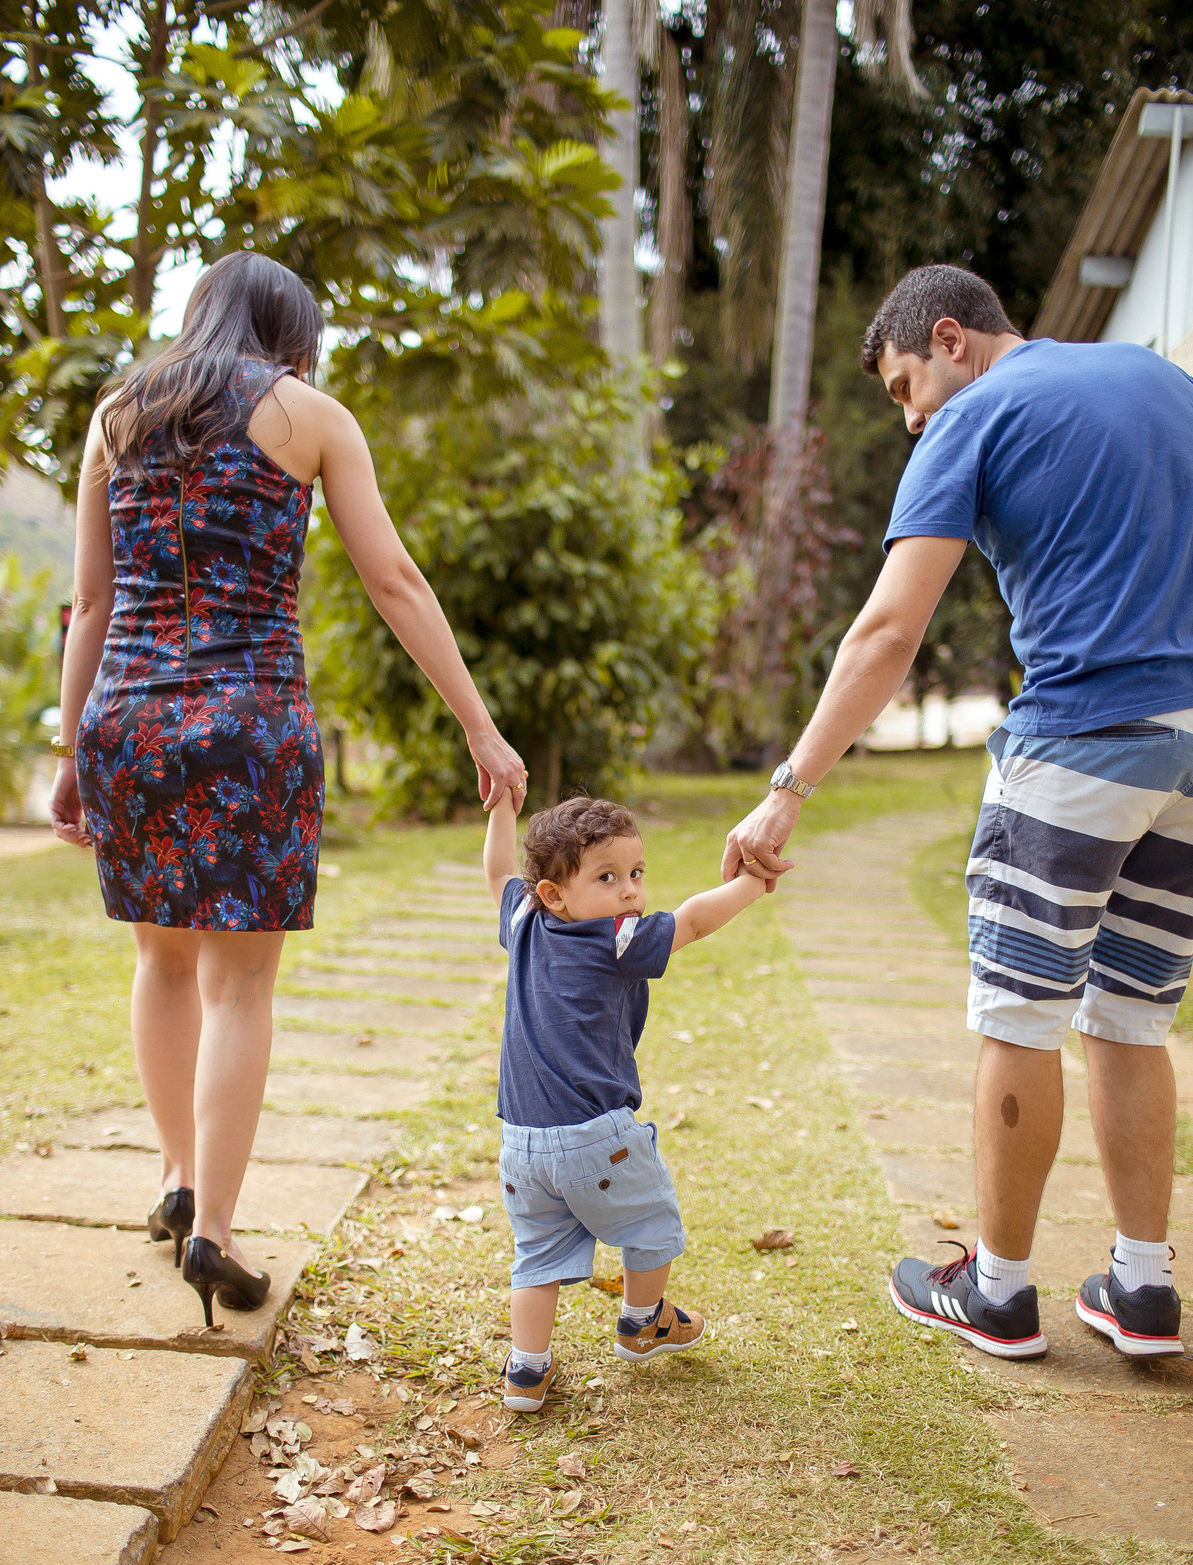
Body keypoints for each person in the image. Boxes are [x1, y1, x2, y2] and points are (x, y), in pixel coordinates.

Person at [722, 261, 1193, 1363]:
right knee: (1133, 1016)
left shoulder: (972, 415)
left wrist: (788, 790)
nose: (908, 417)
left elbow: (888, 633)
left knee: (1021, 1014)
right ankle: (1145, 1288)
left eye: (900, 388)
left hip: (1079, 740)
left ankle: (1000, 1290)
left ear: (951, 339)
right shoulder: (1162, 379)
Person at [50, 250, 527, 1328]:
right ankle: (213, 1228)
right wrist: (478, 725)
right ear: (290, 333)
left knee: (161, 960)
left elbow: (89, 598)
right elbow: (392, 579)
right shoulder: (308, 415)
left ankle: (177, 1175)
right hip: (248, 719)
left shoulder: (118, 414)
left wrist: (76, 749)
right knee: (238, 987)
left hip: (128, 713)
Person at [482, 790, 767, 1411]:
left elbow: (500, 872)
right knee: (652, 1223)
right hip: (596, 1138)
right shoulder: (613, 939)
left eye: (636, 874)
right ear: (555, 893)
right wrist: (752, 884)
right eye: (606, 877)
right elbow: (691, 920)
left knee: (536, 1258)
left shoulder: (524, 921)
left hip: (519, 1145)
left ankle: (526, 1372)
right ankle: (643, 1323)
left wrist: (502, 806)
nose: (631, 891)